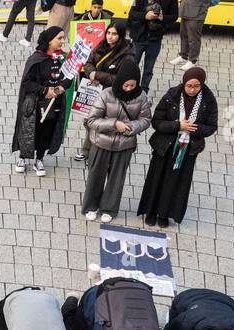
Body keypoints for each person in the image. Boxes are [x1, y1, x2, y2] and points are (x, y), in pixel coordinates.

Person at [136, 66, 218, 228]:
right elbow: (157, 122)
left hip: (188, 149)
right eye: (189, 85)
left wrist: (194, 128)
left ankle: (165, 214)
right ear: (184, 83)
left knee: (177, 182)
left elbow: (211, 126)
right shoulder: (172, 95)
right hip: (165, 147)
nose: (192, 89)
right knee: (157, 178)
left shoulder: (208, 100)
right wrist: (178, 126)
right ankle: (151, 211)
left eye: (196, 86)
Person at [81, 59, 151, 222]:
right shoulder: (106, 94)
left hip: (125, 144)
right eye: (126, 85)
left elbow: (146, 119)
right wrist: (114, 124)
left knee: (116, 178)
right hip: (101, 142)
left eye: (132, 86)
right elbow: (92, 120)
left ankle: (109, 208)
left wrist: (130, 127)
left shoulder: (141, 96)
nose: (128, 89)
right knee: (95, 176)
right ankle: (90, 206)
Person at [13, 26, 68, 176]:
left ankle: (40, 159)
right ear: (50, 41)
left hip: (53, 103)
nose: (62, 41)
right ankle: (23, 157)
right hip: (35, 103)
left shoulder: (63, 58)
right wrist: (45, 90)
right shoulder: (36, 59)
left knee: (47, 131)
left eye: (63, 38)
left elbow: (68, 78)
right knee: (30, 129)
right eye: (59, 38)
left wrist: (60, 88)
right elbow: (27, 83)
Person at [126, 0, 178, 94]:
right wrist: (145, 16)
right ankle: (129, 87)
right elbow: (131, 13)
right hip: (139, 37)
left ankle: (144, 91)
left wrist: (162, 18)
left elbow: (175, 16)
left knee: (149, 69)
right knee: (132, 65)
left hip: (155, 39)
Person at [172, 0, 221, 70]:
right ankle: (183, 56)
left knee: (193, 38)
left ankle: (192, 60)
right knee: (183, 34)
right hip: (186, 9)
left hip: (197, 12)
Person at [80, 20, 134, 89]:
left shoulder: (127, 54)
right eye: (108, 33)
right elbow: (88, 60)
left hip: (111, 91)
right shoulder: (102, 44)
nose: (110, 36)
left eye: (114, 34)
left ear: (120, 36)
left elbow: (122, 79)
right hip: (94, 86)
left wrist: (97, 75)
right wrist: (91, 73)